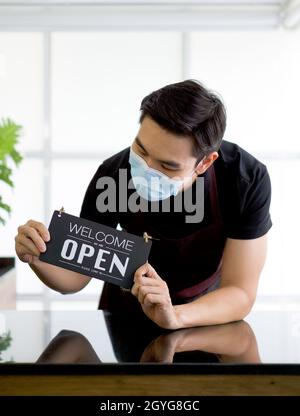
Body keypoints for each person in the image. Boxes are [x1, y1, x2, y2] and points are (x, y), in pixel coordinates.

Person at [15, 79, 272, 330]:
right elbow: (77, 275)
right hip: (126, 314)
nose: (146, 169)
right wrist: (37, 256)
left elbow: (239, 291)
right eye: (141, 150)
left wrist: (175, 316)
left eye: (167, 165)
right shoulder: (113, 176)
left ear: (205, 163)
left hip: (206, 312)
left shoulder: (244, 180)